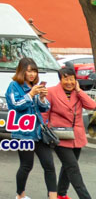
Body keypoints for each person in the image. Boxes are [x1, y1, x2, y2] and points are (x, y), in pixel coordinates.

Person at [6, 57, 55, 199]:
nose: (32, 74)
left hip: (38, 132)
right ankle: (20, 195)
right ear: (22, 72)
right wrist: (31, 94)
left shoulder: (35, 86)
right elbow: (16, 105)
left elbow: (44, 108)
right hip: (23, 133)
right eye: (29, 71)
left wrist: (42, 98)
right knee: (26, 165)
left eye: (34, 71)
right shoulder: (14, 86)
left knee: (49, 165)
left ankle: (53, 196)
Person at [46, 64, 95, 199]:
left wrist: (79, 91)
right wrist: (46, 132)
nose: (69, 82)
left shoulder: (77, 93)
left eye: (72, 79)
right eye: (65, 79)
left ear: (75, 80)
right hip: (59, 136)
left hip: (76, 137)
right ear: (60, 79)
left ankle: (61, 194)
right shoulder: (51, 92)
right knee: (73, 168)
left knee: (68, 166)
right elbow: (44, 114)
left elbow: (92, 105)